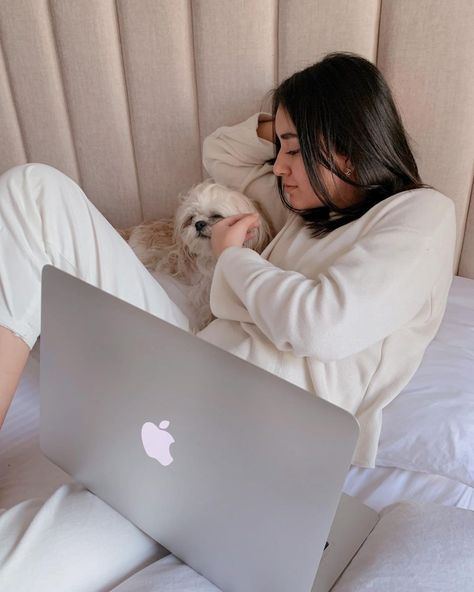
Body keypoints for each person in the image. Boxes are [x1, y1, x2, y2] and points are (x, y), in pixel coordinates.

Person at [0, 52, 456, 590]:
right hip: (190, 369)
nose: (279, 166)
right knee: (34, 194)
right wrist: (287, 124)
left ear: (346, 145)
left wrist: (235, 257)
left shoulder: (420, 214)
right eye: (280, 149)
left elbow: (322, 325)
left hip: (252, 430)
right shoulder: (305, 212)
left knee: (25, 567)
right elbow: (220, 153)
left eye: (293, 149)